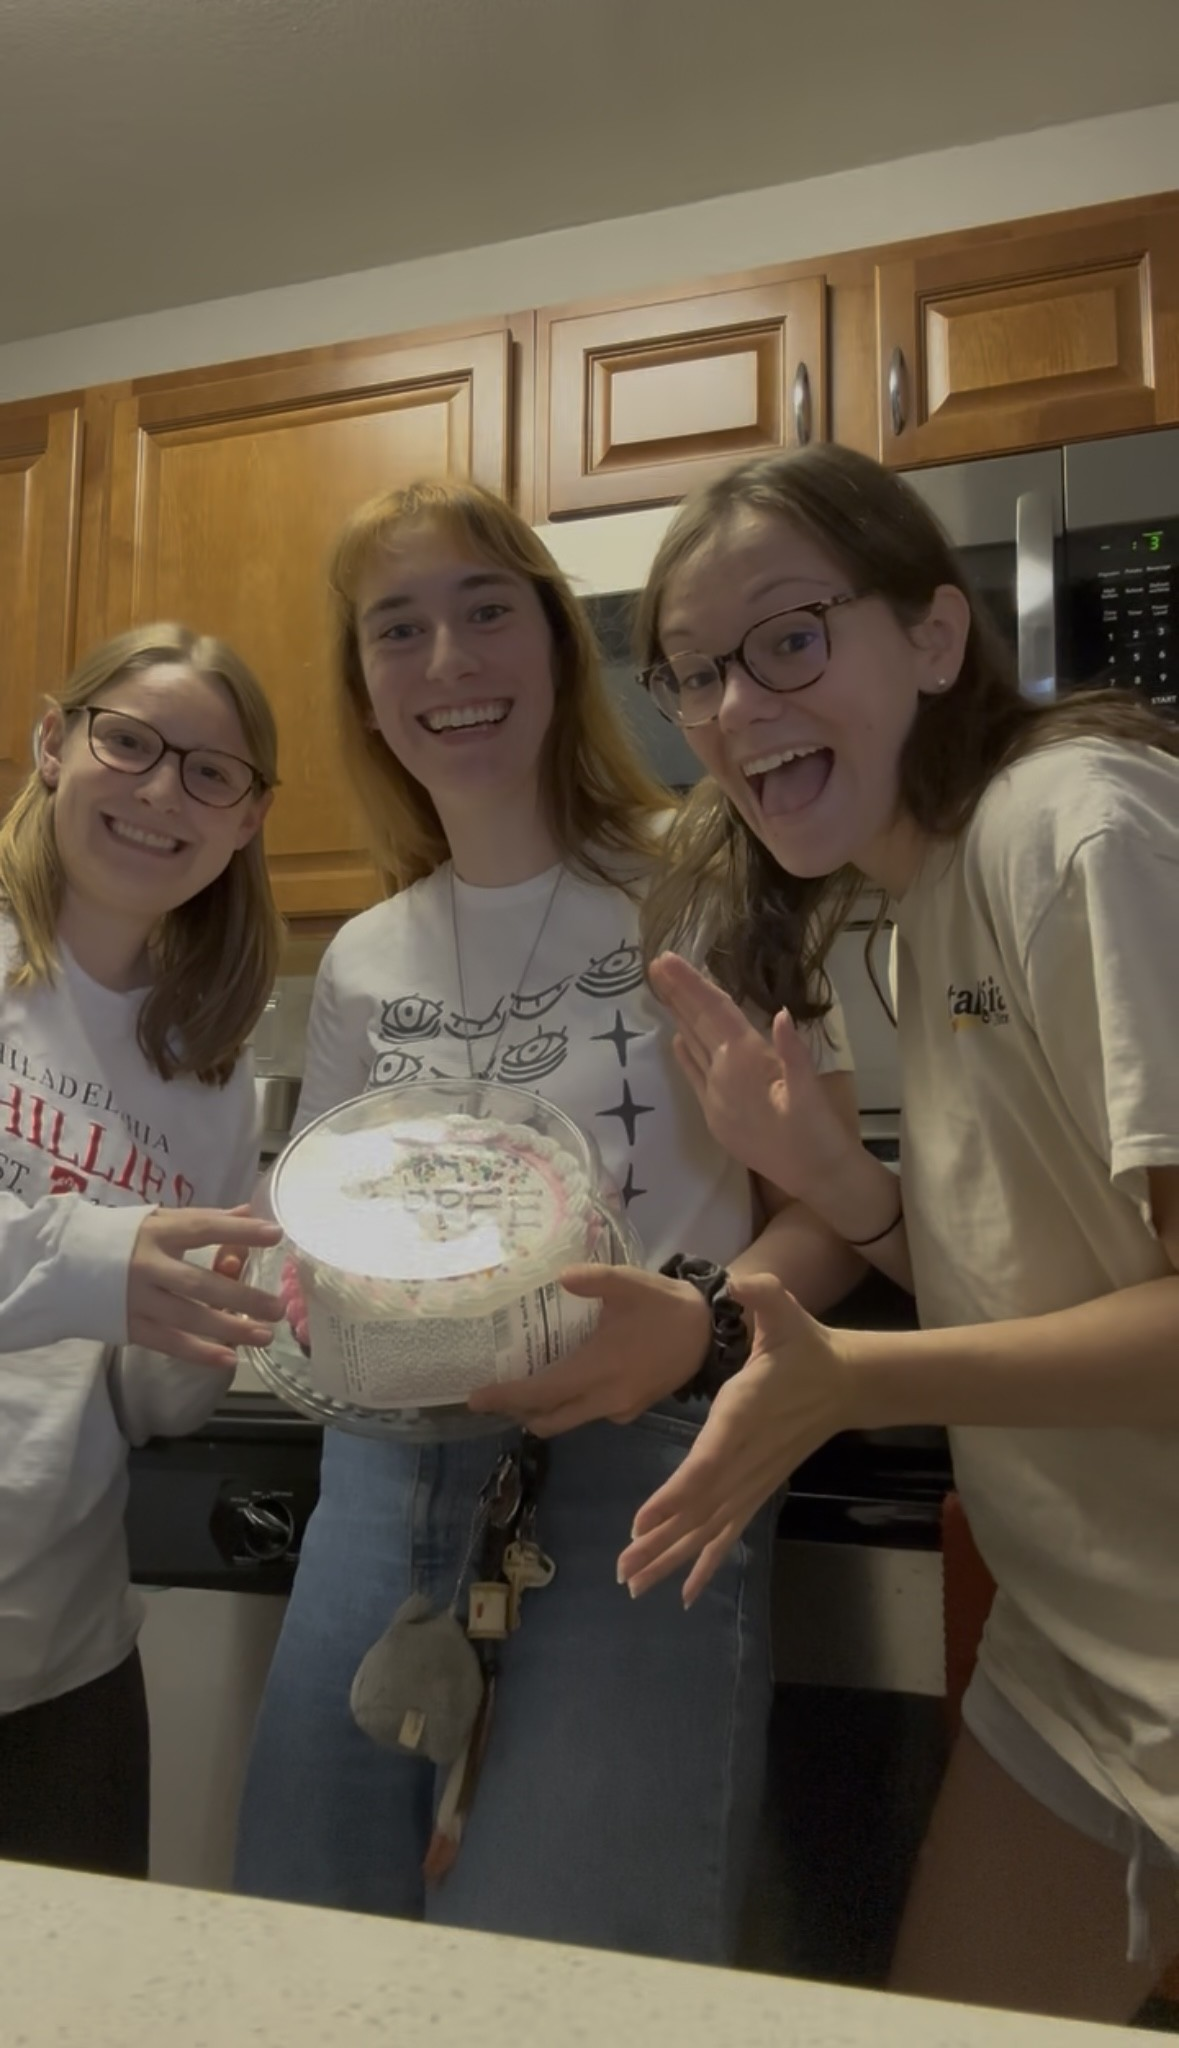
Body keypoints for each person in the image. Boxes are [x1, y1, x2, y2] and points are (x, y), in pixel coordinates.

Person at [233, 478, 865, 1962]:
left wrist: (695, 1322)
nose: (446, 661)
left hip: (643, 1466)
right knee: (309, 1944)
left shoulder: (701, 880)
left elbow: (831, 1215)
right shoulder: (364, 962)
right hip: (381, 1479)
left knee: (573, 1959)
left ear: (555, 646)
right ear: (366, 690)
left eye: (484, 610)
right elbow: (313, 1228)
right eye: (399, 629)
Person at [611, 442, 1179, 2023]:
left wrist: (852, 1376)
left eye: (789, 639)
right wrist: (847, 1195)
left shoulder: (1077, 833)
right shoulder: (921, 905)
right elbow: (1049, 1276)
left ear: (932, 638)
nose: (733, 709)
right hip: (1079, 1662)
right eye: (693, 674)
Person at [0, 623, 286, 1880]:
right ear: (55, 744)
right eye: (130, 741)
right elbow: (97, 1268)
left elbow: (144, 1392)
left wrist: (225, 1320)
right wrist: (107, 1257)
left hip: (61, 1649)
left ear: (247, 821)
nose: (165, 790)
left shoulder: (209, 1082)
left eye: (212, 772)